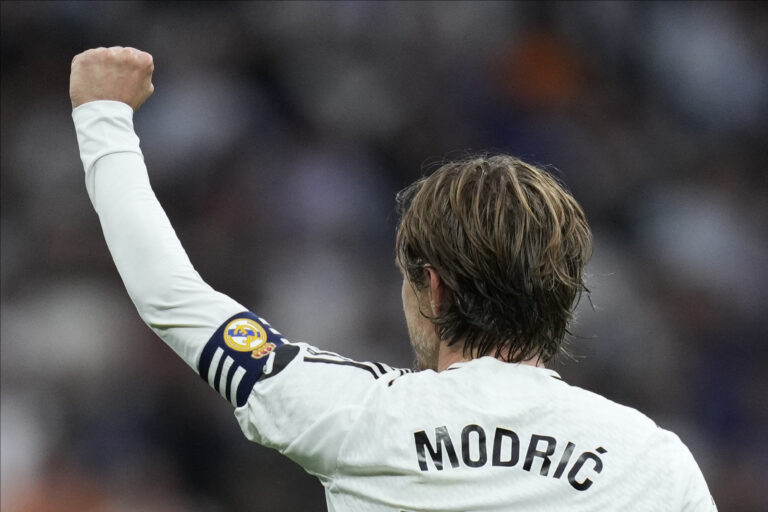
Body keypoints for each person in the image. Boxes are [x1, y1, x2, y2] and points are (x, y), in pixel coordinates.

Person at [70, 47, 717, 511]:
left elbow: (170, 296)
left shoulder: (360, 418)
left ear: (431, 287)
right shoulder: (653, 463)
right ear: (564, 297)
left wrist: (102, 114)